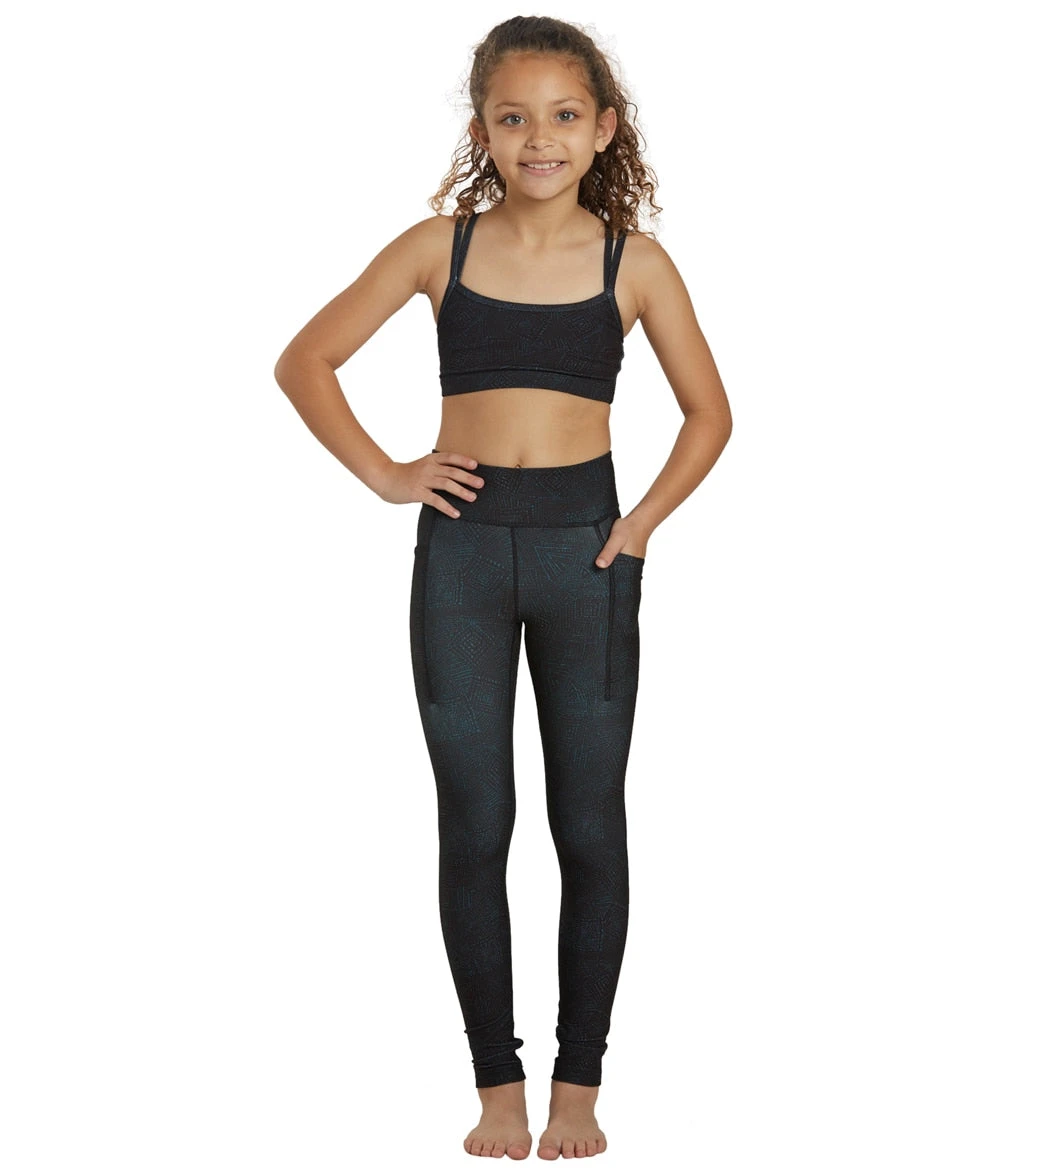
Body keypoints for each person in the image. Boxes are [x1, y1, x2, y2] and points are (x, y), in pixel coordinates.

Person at [274, 14, 732, 1161]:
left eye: (564, 116)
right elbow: (305, 360)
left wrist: (638, 525)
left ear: (604, 129)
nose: (540, 139)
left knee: (589, 823)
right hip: (464, 559)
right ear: (482, 129)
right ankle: (496, 1084)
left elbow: (710, 415)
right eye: (513, 117)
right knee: (476, 823)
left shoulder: (634, 263)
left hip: (589, 558)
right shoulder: (441, 248)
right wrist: (389, 474)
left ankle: (579, 1084)